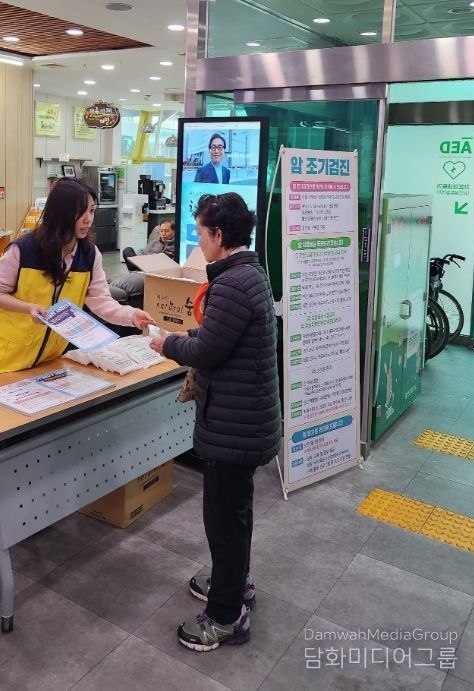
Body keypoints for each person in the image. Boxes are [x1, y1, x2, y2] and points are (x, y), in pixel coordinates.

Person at [0, 178, 155, 523]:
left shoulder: (88, 255)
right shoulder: (24, 250)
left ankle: (17, 522)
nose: (89, 219)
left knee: (20, 450)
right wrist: (27, 307)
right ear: (62, 213)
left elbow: (100, 301)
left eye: (92, 211)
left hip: (42, 365)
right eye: (82, 212)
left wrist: (131, 316)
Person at [150, 192, 281, 652]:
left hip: (234, 426)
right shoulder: (249, 274)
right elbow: (220, 336)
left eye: (202, 233)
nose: (198, 241)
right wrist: (189, 335)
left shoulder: (231, 284)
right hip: (245, 420)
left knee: (224, 521)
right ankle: (234, 584)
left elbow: (207, 351)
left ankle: (226, 617)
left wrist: (166, 343)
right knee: (235, 514)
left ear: (219, 235)